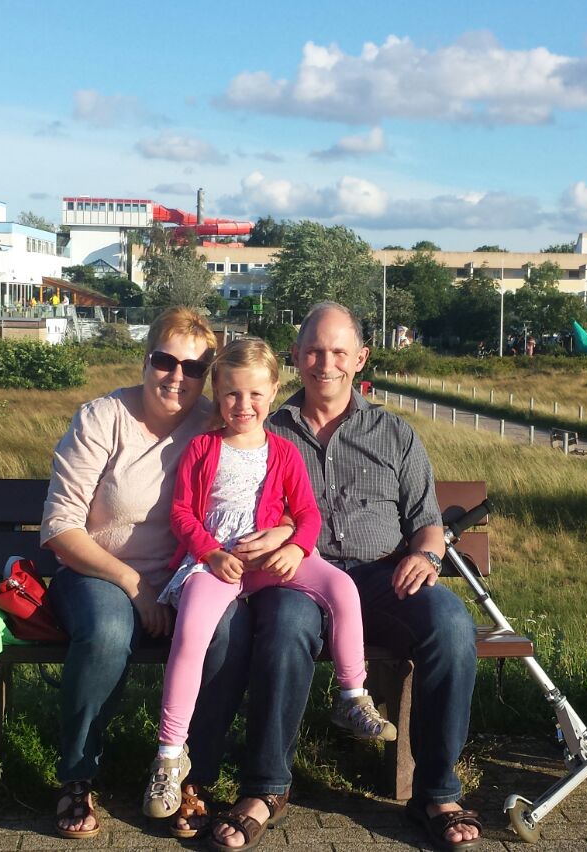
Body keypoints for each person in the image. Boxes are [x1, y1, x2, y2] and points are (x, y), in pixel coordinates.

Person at [214, 301, 481, 851]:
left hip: (383, 578)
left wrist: (426, 558)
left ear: (360, 358)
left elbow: (428, 524)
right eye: (313, 350)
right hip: (301, 578)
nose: (325, 363)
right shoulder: (268, 433)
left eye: (339, 351)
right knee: (283, 628)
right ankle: (265, 787)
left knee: (451, 626)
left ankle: (436, 793)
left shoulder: (396, 434)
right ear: (295, 356)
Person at [39, 307, 289, 841]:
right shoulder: (102, 418)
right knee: (109, 631)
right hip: (99, 575)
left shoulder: (216, 424)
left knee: (228, 631)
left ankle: (190, 780)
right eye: (164, 360)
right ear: (145, 358)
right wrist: (136, 587)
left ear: (209, 379)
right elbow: (60, 527)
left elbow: (273, 486)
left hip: (190, 576)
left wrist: (286, 530)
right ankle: (78, 777)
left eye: (195, 368)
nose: (178, 376)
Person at [142, 338, 396, 823]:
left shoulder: (282, 451)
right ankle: (171, 754)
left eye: (257, 395)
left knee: (342, 588)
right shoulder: (203, 447)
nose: (244, 405)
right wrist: (210, 553)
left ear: (274, 391)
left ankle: (351, 695)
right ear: (217, 392)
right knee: (193, 633)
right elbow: (182, 513)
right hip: (216, 564)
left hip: (273, 562)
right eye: (233, 394)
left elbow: (307, 514)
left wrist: (296, 547)